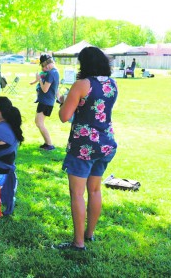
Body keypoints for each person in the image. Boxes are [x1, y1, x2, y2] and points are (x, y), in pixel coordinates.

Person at [56, 46, 118, 251]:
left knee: (77, 194)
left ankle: (78, 242)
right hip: (106, 143)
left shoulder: (81, 84)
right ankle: (89, 235)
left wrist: (63, 101)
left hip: (84, 146)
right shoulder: (112, 84)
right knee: (95, 190)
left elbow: (64, 116)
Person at [35, 54, 60, 151]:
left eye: (44, 65)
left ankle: (49, 144)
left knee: (39, 123)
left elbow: (45, 89)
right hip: (47, 101)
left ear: (47, 64)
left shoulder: (51, 73)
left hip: (46, 102)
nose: (44, 68)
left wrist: (39, 79)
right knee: (38, 122)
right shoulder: (55, 72)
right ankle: (47, 143)